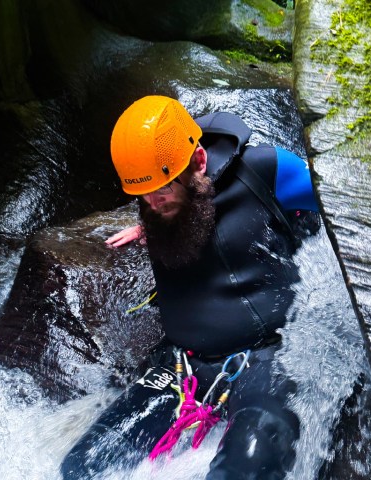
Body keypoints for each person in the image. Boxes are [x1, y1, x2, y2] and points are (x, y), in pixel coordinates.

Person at [60, 95, 320, 480]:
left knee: (243, 471)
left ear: (199, 160)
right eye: (142, 194)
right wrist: (151, 224)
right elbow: (174, 209)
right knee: (83, 467)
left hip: (266, 359)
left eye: (162, 188)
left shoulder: (267, 170)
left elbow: (342, 218)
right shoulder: (158, 197)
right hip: (182, 364)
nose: (151, 201)